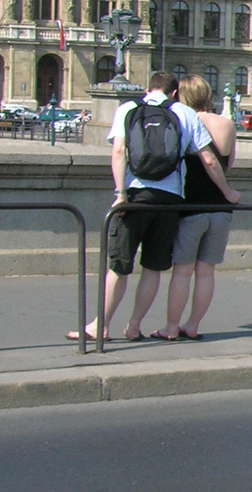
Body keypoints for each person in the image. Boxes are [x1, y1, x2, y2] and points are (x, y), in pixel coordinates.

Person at [69, 70, 238, 342]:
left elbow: (119, 152)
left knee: (119, 266)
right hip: (169, 199)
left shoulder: (128, 108)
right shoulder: (183, 113)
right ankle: (135, 326)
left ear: (149, 88)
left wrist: (120, 193)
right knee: (152, 268)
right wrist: (228, 192)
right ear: (173, 92)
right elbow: (208, 158)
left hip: (136, 197)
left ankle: (100, 325)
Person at [156, 75, 238, 341]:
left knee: (182, 271)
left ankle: (171, 327)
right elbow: (229, 163)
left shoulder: (183, 121)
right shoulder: (227, 124)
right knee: (206, 273)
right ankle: (192, 325)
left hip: (190, 205)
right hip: (221, 209)